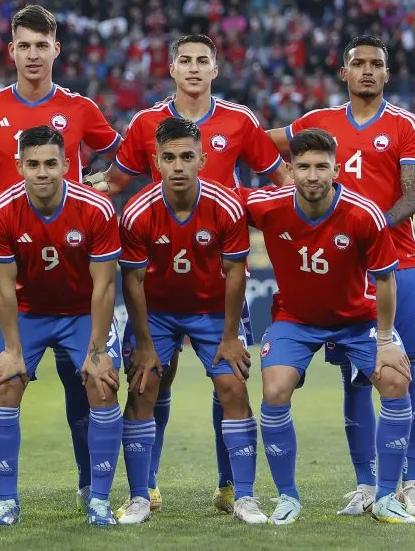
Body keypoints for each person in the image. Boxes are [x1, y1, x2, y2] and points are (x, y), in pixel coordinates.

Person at [88, 34, 286, 515]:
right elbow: (112, 182)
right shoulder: (144, 124)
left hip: (217, 280)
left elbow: (282, 181)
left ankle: (231, 488)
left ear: (215, 69)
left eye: (203, 61)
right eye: (185, 61)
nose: (194, 68)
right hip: (158, 283)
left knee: (230, 382)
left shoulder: (240, 120)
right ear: (171, 69)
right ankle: (147, 487)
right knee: (153, 380)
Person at [0, 5, 121, 514]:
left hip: (70, 257)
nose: (32, 54)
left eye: (41, 45)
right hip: (7, 261)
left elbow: (119, 156)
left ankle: (91, 487)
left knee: (87, 383)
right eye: (23, 45)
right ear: (12, 51)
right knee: (4, 375)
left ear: (56, 49)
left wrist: (100, 184)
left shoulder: (79, 108)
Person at [269, 35, 415, 517]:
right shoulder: (318, 123)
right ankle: (367, 484)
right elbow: (259, 143)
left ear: (387, 74)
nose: (366, 70)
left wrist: (369, 231)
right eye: (357, 63)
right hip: (341, 271)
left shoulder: (406, 125)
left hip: (398, 263)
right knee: (355, 377)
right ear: (344, 72)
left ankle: (413, 482)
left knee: (406, 370)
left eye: (376, 64)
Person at [244, 128, 415, 525]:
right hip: (296, 319)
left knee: (395, 379)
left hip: (358, 321)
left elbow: (386, 280)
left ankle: (387, 496)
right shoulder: (268, 206)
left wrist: (387, 341)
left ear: (336, 169)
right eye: (303, 166)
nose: (312, 175)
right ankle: (287, 497)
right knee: (274, 389)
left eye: (322, 166)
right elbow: (218, 201)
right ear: (289, 169)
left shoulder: (363, 213)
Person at [116, 117, 264, 525]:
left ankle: (244, 496)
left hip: (212, 312)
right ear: (156, 161)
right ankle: (139, 497)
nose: (178, 166)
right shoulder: (136, 212)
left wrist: (232, 336)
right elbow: (133, 281)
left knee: (233, 388)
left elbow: (236, 273)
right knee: (142, 387)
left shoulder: (227, 206)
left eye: (186, 157)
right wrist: (144, 344)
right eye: (169, 158)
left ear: (202, 159)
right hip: (158, 314)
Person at [0, 125, 122, 527]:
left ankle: (98, 500)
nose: (42, 172)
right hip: (28, 312)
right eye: (32, 164)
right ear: (19, 166)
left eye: (50, 163)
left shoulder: (96, 208)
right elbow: (4, 290)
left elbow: (104, 286)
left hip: (82, 312)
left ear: (66, 165)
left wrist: (96, 352)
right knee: (4, 384)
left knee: (102, 384)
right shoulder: (0, 211)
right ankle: (7, 501)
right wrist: (11, 351)